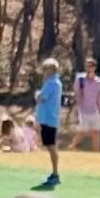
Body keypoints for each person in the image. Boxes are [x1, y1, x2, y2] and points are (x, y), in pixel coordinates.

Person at [33, 57, 63, 189]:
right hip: (49, 118)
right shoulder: (54, 82)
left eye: (46, 69)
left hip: (49, 119)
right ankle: (54, 174)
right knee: (50, 146)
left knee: (51, 146)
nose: (44, 71)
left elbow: (40, 97)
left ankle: (55, 174)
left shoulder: (52, 83)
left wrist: (37, 94)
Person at [70, 57, 100, 153]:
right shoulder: (80, 79)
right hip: (83, 110)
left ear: (95, 67)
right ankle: (72, 146)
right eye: (87, 66)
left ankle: (96, 153)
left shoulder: (99, 81)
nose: (89, 68)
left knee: (96, 132)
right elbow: (77, 95)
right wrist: (76, 110)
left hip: (94, 110)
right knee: (83, 131)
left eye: (91, 66)